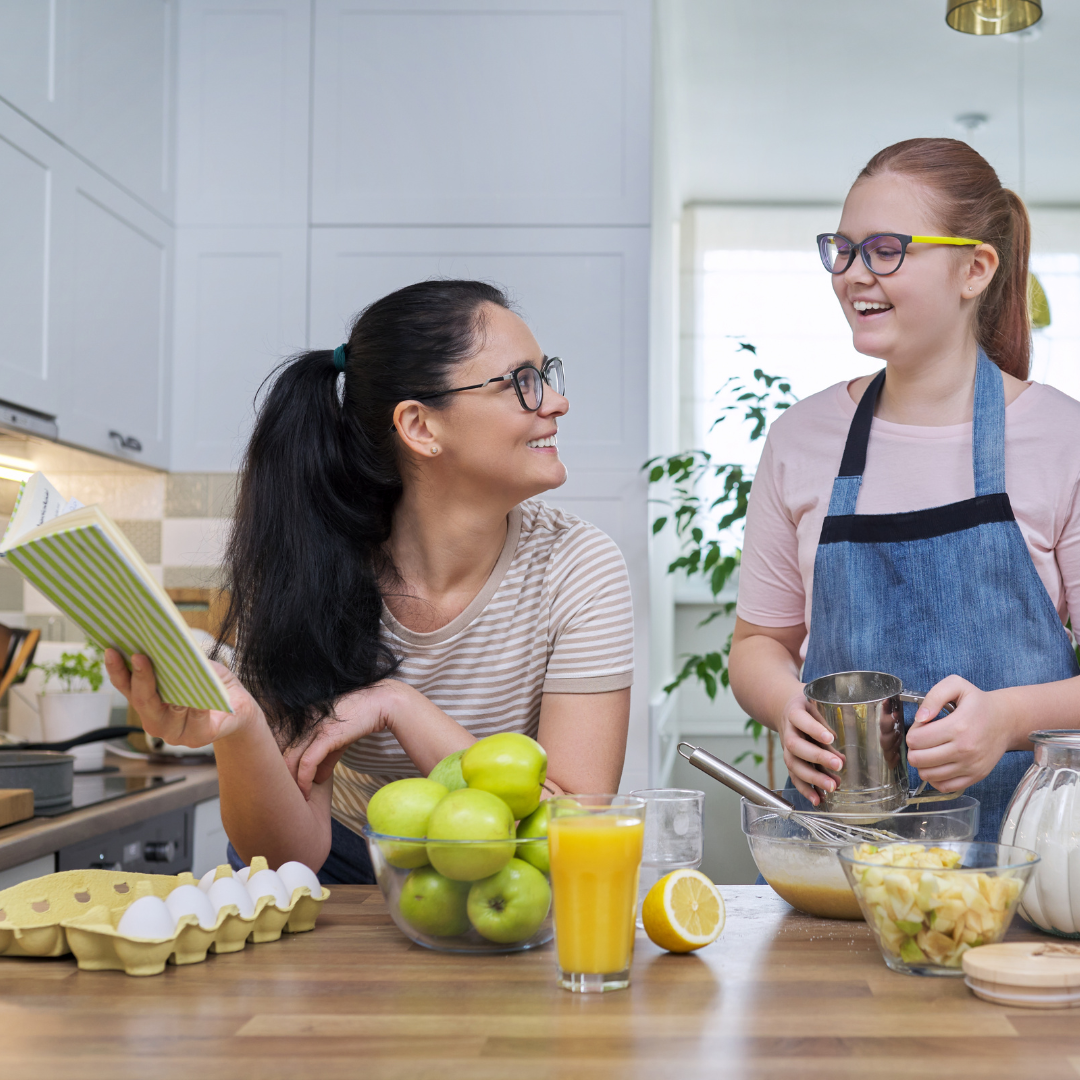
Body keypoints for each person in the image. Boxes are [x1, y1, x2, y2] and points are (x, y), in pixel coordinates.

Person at [106, 281, 634, 882]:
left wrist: (399, 706)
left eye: (548, 375)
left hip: (505, 872)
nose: (556, 403)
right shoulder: (309, 562)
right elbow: (288, 856)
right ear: (420, 426)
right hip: (336, 874)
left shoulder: (579, 566)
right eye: (522, 383)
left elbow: (573, 827)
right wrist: (240, 727)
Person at [727, 138, 1080, 842]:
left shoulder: (1062, 437)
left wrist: (1006, 722)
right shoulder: (800, 440)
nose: (854, 274)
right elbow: (758, 642)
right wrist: (785, 706)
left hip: (1031, 873)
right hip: (843, 867)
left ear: (974, 269)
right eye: (844, 249)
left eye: (887, 249)